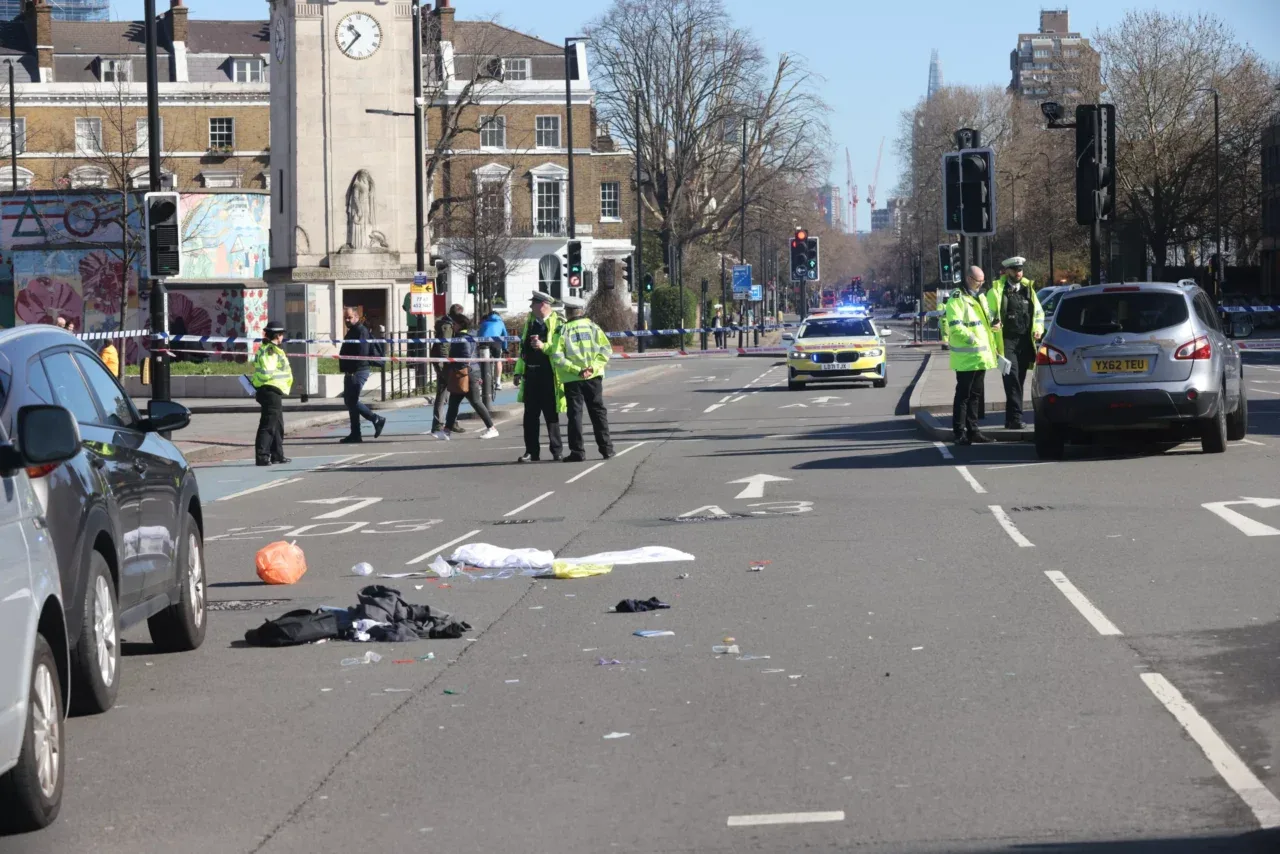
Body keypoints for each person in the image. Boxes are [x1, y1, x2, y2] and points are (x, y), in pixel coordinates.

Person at [542, 295, 614, 462]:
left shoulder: (563, 330)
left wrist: (576, 370)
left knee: (575, 415)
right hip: (593, 377)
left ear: (568, 312)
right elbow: (606, 350)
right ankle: (606, 449)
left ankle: (578, 452)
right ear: (581, 311)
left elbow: (557, 356)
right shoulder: (593, 327)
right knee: (598, 412)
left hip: (572, 379)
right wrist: (592, 368)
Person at [985, 256, 1044, 430]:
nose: (1018, 273)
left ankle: (1010, 419)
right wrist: (994, 322)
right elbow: (988, 314)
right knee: (1012, 379)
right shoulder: (996, 291)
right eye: (1014, 270)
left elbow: (1038, 314)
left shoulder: (1029, 290)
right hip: (1007, 341)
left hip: (1025, 341)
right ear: (1007, 271)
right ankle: (1016, 418)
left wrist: (1038, 329)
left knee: (1019, 379)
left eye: (1020, 270)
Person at [944, 266, 998, 445]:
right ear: (968, 278)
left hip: (981, 356)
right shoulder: (957, 298)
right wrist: (972, 338)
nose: (980, 284)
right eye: (977, 281)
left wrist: (994, 325)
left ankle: (973, 430)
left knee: (976, 395)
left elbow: (984, 321)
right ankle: (959, 433)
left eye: (982, 281)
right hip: (967, 357)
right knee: (963, 396)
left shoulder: (980, 296)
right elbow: (955, 326)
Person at [512, 291, 564, 462]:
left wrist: (544, 346)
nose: (530, 307)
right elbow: (523, 351)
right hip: (531, 374)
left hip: (549, 374)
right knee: (530, 415)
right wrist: (519, 371)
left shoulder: (559, 322)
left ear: (542, 305)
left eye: (533, 303)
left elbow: (560, 347)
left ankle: (557, 451)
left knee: (551, 414)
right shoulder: (530, 322)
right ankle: (531, 451)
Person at [433, 312, 499, 441]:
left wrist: (455, 367)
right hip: (467, 372)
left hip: (465, 373)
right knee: (453, 403)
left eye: (454, 324)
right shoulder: (469, 335)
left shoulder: (463, 338)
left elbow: (465, 356)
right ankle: (446, 431)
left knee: (475, 401)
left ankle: (492, 428)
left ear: (459, 324)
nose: (453, 327)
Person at [338, 306, 387, 444]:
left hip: (358, 370)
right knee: (349, 402)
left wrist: (351, 365)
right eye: (345, 318)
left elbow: (362, 352)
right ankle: (355, 434)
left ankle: (376, 419)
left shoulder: (361, 331)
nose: (347, 320)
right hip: (350, 371)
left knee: (352, 401)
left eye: (350, 317)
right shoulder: (352, 331)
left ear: (356, 317)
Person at [250, 321, 293, 466]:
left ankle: (277, 455)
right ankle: (262, 456)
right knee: (268, 425)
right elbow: (267, 371)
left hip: (273, 390)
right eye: (281, 335)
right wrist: (263, 383)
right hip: (270, 390)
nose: (282, 338)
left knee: (277, 424)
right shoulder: (271, 350)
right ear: (278, 335)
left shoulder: (270, 348)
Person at [429, 304, 462, 434]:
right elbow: (444, 346)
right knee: (445, 393)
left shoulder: (445, 324)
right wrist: (445, 364)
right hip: (444, 363)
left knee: (447, 393)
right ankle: (442, 423)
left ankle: (446, 422)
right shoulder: (447, 327)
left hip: (443, 361)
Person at [476, 308, 508, 394]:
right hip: (496, 342)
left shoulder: (484, 322)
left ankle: (480, 383)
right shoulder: (500, 323)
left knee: (481, 362)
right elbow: (505, 336)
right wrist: (505, 348)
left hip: (484, 342)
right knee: (498, 360)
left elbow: (479, 335)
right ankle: (498, 382)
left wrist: (478, 346)